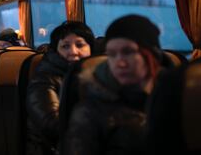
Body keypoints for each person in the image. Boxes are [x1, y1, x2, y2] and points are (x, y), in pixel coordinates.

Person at [63, 15, 171, 155]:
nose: (120, 63)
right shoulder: (90, 111)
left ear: (151, 54)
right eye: (112, 55)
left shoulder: (177, 94)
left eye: (128, 52)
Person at [26, 21, 95, 155]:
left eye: (80, 45)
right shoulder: (43, 79)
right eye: (65, 46)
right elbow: (53, 125)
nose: (73, 52)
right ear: (56, 50)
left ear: (91, 47)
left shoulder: (97, 75)